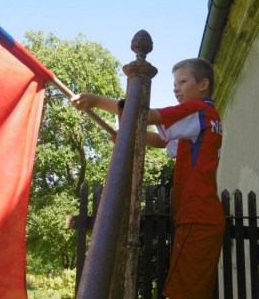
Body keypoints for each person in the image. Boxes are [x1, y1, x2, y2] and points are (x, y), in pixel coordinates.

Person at [71, 58, 225, 299]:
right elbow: (162, 142)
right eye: (175, 84)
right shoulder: (206, 118)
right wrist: (126, 133)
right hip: (202, 215)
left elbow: (145, 115)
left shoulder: (199, 110)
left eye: (182, 82)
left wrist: (97, 100)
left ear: (203, 84)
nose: (175, 88)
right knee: (193, 291)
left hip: (196, 215)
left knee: (182, 293)